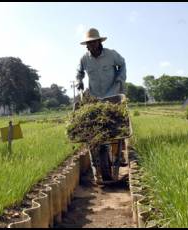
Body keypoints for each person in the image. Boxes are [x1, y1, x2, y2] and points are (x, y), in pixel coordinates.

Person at [75, 28, 127, 182]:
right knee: (93, 132)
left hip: (113, 96)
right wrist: (79, 80)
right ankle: (95, 166)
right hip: (95, 99)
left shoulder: (111, 55)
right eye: (88, 43)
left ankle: (117, 154)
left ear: (99, 42)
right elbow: (79, 72)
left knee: (116, 129)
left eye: (92, 42)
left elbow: (122, 64)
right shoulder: (85, 59)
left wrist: (120, 79)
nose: (89, 46)